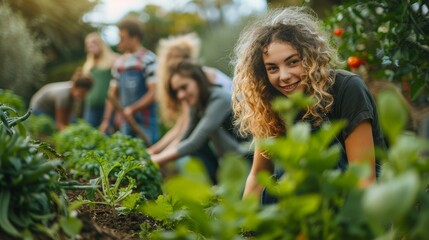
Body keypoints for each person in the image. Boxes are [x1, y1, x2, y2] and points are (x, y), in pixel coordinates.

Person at [231, 7, 386, 203]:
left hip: (353, 202)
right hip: (303, 210)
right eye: (273, 68)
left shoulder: (347, 88)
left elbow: (364, 179)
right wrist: (246, 229)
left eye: (293, 62)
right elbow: (257, 176)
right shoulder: (273, 102)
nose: (284, 76)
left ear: (311, 58)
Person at [149, 61, 250, 184]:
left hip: (246, 158)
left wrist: (155, 160)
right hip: (228, 159)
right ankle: (215, 187)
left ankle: (219, 187)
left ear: (198, 81)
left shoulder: (220, 98)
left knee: (196, 144)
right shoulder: (196, 105)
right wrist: (155, 155)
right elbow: (185, 136)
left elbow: (194, 142)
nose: (180, 95)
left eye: (184, 87)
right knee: (193, 149)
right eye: (176, 91)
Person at [148, 32, 233, 157]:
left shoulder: (198, 81)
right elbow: (181, 127)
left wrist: (158, 157)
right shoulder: (185, 86)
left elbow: (187, 136)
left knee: (190, 154)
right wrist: (153, 151)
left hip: (237, 134)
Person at [99, 17, 159, 144]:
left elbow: (154, 93)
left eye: (123, 38)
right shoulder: (119, 63)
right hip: (126, 121)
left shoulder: (149, 59)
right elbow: (112, 94)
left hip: (146, 122)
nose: (119, 42)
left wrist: (132, 109)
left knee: (147, 157)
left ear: (135, 38)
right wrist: (106, 120)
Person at [82, 32, 119, 128]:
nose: (90, 46)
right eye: (88, 44)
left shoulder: (113, 60)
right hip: (91, 106)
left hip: (107, 107)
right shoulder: (88, 64)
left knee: (106, 133)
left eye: (93, 43)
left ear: (100, 44)